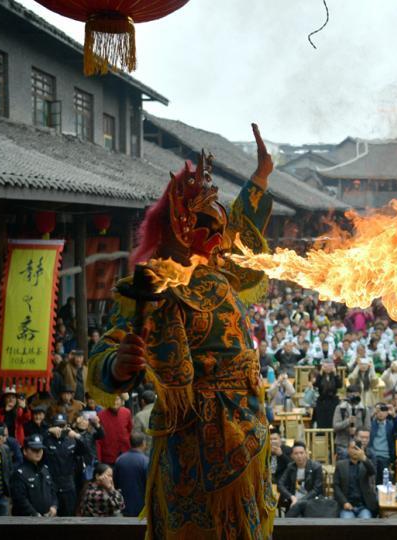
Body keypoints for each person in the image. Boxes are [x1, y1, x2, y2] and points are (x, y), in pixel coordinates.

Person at [88, 137, 276, 539]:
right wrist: (118, 365)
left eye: (219, 227)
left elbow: (242, 228)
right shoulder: (156, 286)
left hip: (246, 431)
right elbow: (112, 347)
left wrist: (259, 178)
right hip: (193, 442)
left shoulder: (222, 272)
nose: (220, 236)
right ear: (182, 228)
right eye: (208, 227)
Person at [10, 433, 57, 517]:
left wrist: (54, 506)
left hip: (47, 517)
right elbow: (20, 499)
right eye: (34, 450)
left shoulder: (45, 469)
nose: (38, 453)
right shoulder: (19, 473)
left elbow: (53, 491)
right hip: (27, 520)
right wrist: (34, 513)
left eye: (40, 450)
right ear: (25, 451)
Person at [332, 439, 377, 519]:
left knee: (366, 522)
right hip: (347, 506)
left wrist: (363, 458)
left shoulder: (365, 464)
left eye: (357, 448)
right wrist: (344, 502)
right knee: (347, 524)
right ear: (348, 450)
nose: (355, 451)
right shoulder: (340, 465)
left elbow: (373, 472)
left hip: (363, 506)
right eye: (353, 448)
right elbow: (336, 486)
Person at [277, 442, 324, 515]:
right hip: (294, 501)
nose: (299, 456)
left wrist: (300, 501)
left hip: (310, 501)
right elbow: (280, 484)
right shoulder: (290, 466)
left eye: (301, 453)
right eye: (296, 453)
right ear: (292, 455)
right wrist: (291, 497)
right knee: (289, 521)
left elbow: (317, 489)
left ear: (306, 453)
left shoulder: (316, 467)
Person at [114, 431, 149, 518]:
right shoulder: (146, 461)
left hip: (123, 504)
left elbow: (116, 482)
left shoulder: (120, 460)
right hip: (141, 505)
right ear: (143, 443)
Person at [332, 384, 370, 459]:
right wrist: (348, 421)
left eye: (357, 395)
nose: (354, 397)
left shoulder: (365, 410)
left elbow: (368, 428)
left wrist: (357, 431)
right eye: (352, 395)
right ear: (347, 395)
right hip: (343, 444)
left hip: (359, 445)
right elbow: (335, 426)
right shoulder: (340, 408)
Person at [97, 394, 132, 466]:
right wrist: (99, 460)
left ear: (121, 401)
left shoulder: (127, 412)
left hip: (126, 454)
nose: (114, 402)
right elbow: (98, 440)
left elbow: (130, 431)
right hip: (109, 457)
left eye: (117, 399)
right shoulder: (100, 415)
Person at [369, 403, 397, 478]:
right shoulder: (371, 424)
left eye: (383, 410)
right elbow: (364, 424)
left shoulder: (390, 424)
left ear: (387, 413)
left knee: (385, 476)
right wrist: (372, 414)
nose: (380, 413)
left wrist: (394, 415)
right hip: (373, 455)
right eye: (378, 411)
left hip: (385, 456)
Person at [312, 360, 342, 429]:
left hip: (333, 401)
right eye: (326, 367)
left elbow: (339, 385)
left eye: (330, 367)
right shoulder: (319, 375)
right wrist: (321, 373)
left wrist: (335, 373)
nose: (328, 368)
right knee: (322, 421)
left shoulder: (335, 376)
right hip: (322, 401)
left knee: (332, 420)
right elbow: (316, 384)